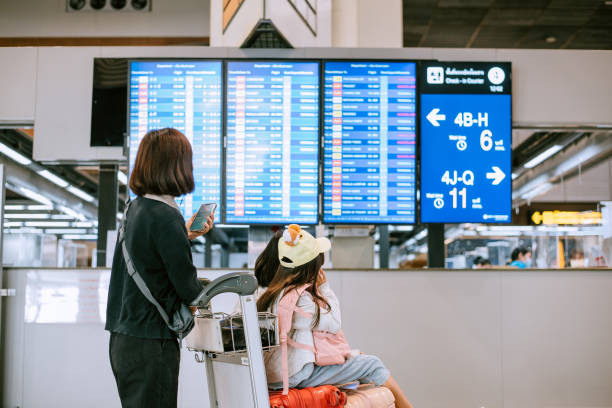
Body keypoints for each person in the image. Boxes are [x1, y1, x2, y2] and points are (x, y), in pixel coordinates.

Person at [105, 128, 214, 408]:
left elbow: (147, 257)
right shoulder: (166, 216)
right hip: (151, 342)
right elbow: (187, 287)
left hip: (124, 337)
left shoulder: (135, 208)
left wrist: (184, 235)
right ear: (176, 166)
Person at [257, 224, 414, 408]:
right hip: (296, 376)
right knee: (372, 364)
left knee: (359, 359)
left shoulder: (267, 296)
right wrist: (324, 288)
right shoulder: (300, 299)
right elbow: (334, 322)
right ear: (309, 269)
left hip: (272, 374)